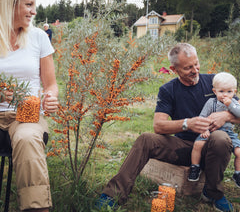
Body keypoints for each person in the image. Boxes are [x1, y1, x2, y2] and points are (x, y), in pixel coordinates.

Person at [96, 43, 238, 212]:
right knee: (145, 139)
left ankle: (214, 193)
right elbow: (158, 125)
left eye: (196, 64)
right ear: (174, 68)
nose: (195, 70)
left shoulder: (215, 83)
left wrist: (226, 116)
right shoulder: (168, 90)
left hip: (213, 147)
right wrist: (187, 123)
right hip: (185, 148)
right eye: (187, 68)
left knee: (220, 138)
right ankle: (113, 195)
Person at [0, 0, 58, 212]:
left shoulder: (38, 37)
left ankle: (36, 208)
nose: (34, 11)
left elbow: (51, 84)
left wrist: (51, 97)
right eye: (28, 5)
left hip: (26, 115)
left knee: (26, 139)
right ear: (11, 4)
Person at [188, 72, 240, 188]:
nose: (225, 95)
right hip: (210, 130)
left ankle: (237, 173)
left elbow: (239, 114)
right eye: (221, 91)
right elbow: (202, 116)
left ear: (234, 92)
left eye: (229, 92)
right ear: (214, 91)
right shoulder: (211, 102)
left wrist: (230, 104)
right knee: (197, 144)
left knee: (239, 152)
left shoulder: (235, 103)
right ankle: (194, 167)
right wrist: (204, 129)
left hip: (229, 133)